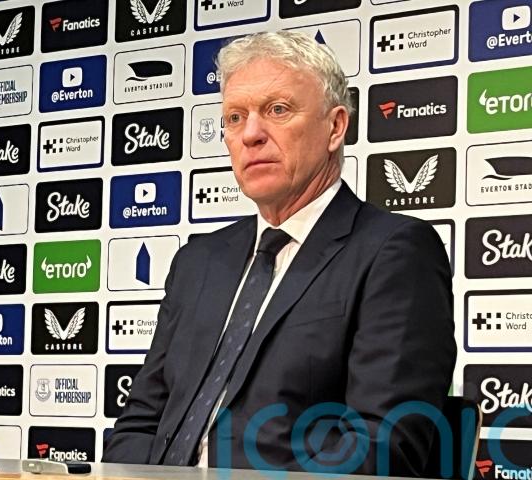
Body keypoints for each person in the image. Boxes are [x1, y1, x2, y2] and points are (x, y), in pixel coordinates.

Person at [103, 31, 456, 475]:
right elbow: (141, 421)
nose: (251, 134)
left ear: (335, 127)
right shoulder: (198, 261)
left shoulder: (394, 252)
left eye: (278, 110)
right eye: (235, 117)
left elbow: (382, 445)